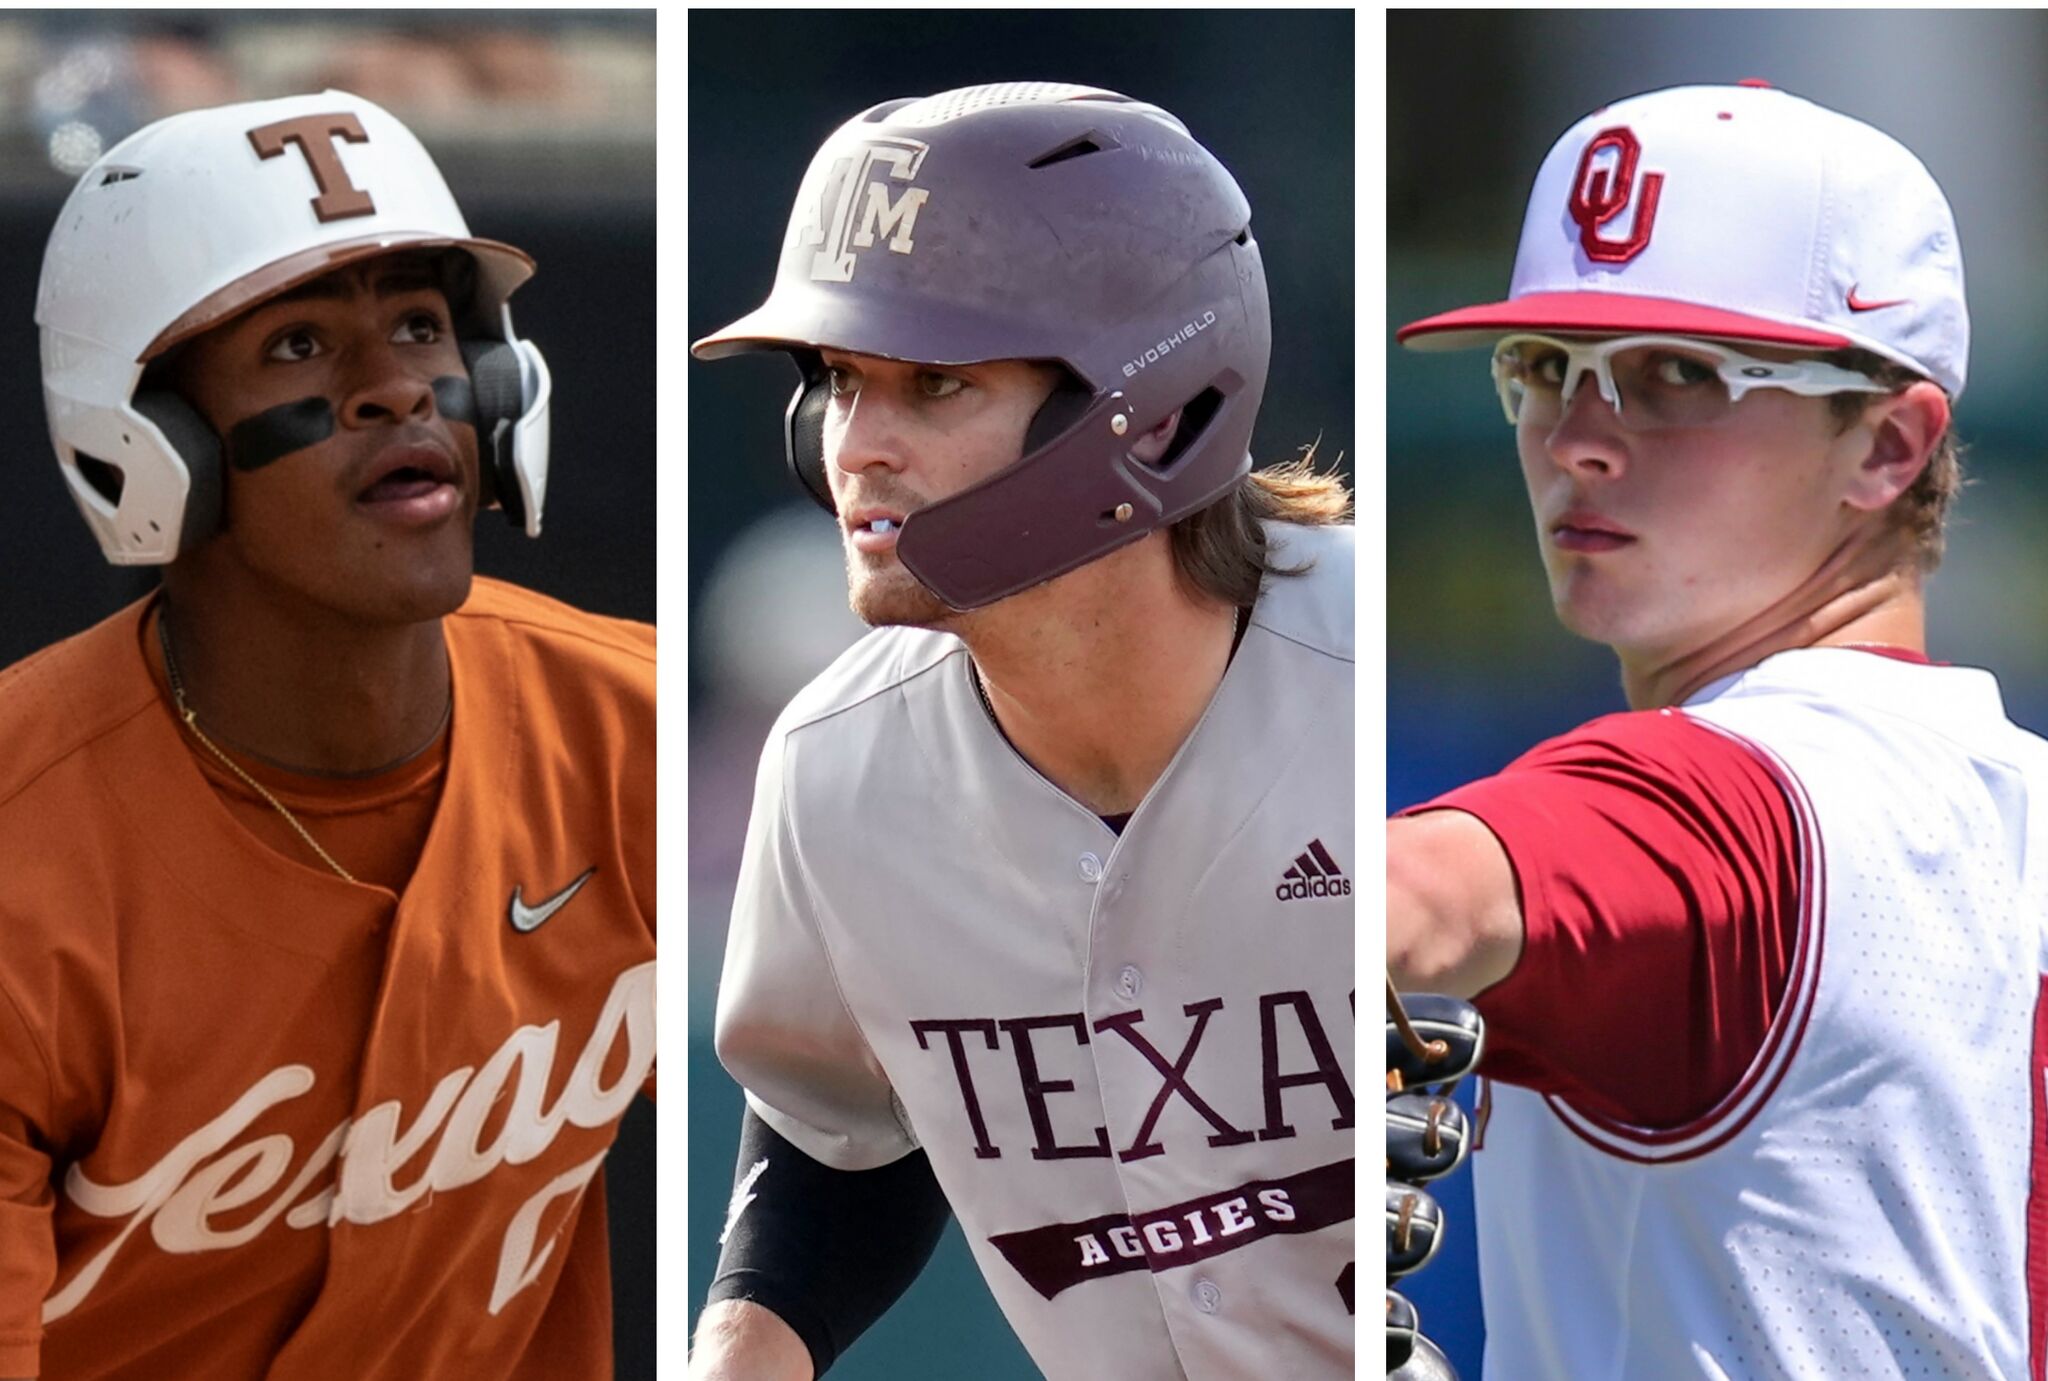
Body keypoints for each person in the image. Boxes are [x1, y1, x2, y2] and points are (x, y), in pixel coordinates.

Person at [689, 83, 1355, 1380]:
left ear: (1155, 410)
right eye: (838, 380)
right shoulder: (838, 770)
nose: (857, 448)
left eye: (936, 383)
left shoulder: (1363, 680)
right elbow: (838, 1139)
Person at [1388, 82, 2039, 1379]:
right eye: (1543, 370)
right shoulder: (2016, 800)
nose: (1577, 439)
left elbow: (1400, 901)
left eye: (1676, 376)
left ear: (1890, 444)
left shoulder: (1714, 799)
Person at [0, 91, 654, 1380]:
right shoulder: (26, 852)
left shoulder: (622, 727)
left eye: (420, 326)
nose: (395, 386)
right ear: (147, 441)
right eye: (300, 345)